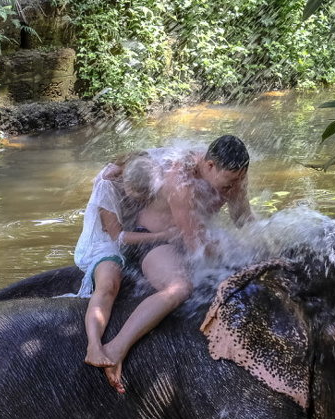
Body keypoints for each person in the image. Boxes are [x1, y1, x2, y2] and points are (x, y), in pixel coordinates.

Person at [99, 134, 255, 393]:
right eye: (227, 186)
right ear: (209, 166)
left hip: (189, 239)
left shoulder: (234, 175)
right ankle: (114, 349)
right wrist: (232, 258)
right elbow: (195, 247)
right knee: (179, 288)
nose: (231, 191)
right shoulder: (181, 180)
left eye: (237, 183)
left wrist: (267, 241)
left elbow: (244, 220)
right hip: (153, 241)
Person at [74, 151, 176, 379]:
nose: (142, 201)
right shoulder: (106, 187)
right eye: (138, 196)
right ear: (125, 184)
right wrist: (162, 235)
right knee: (109, 284)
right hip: (105, 244)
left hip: (136, 237)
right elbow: (117, 237)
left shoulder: (148, 163)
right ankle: (93, 345)